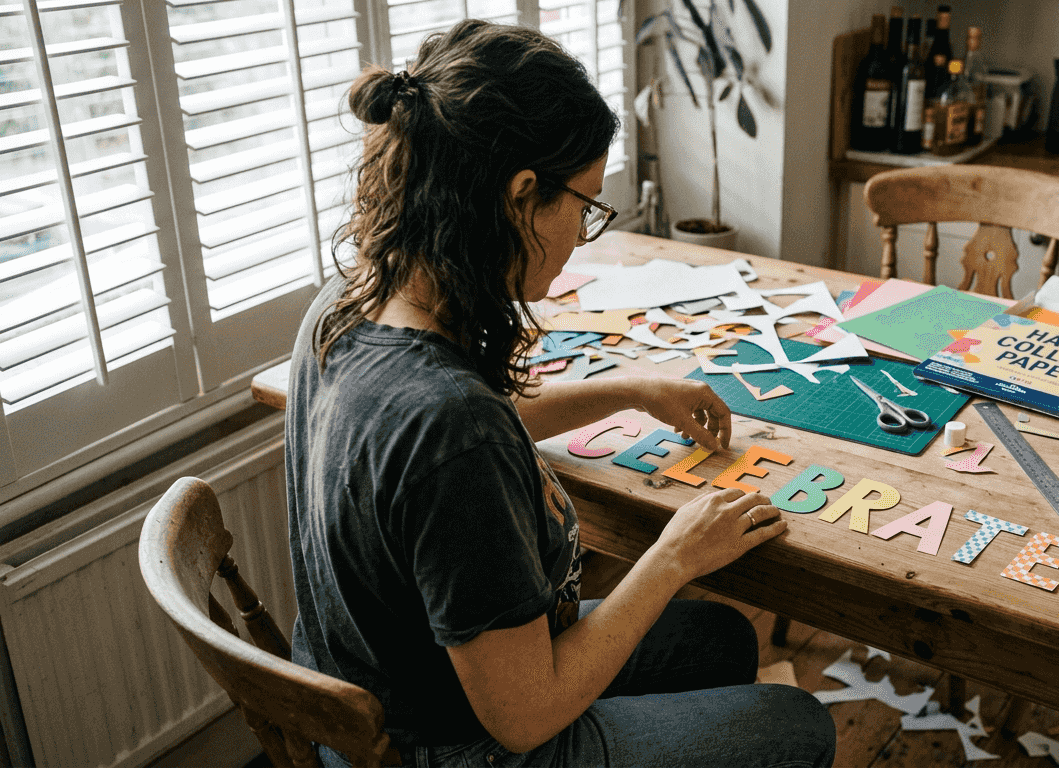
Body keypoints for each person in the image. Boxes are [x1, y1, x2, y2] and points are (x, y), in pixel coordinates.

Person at [284, 19, 836, 768]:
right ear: (519, 197)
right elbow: (525, 716)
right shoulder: (450, 424)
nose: (584, 233)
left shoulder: (353, 301)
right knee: (797, 725)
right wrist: (671, 556)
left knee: (722, 638)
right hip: (451, 745)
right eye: (584, 206)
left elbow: (439, 454)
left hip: (382, 682)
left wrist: (628, 390)